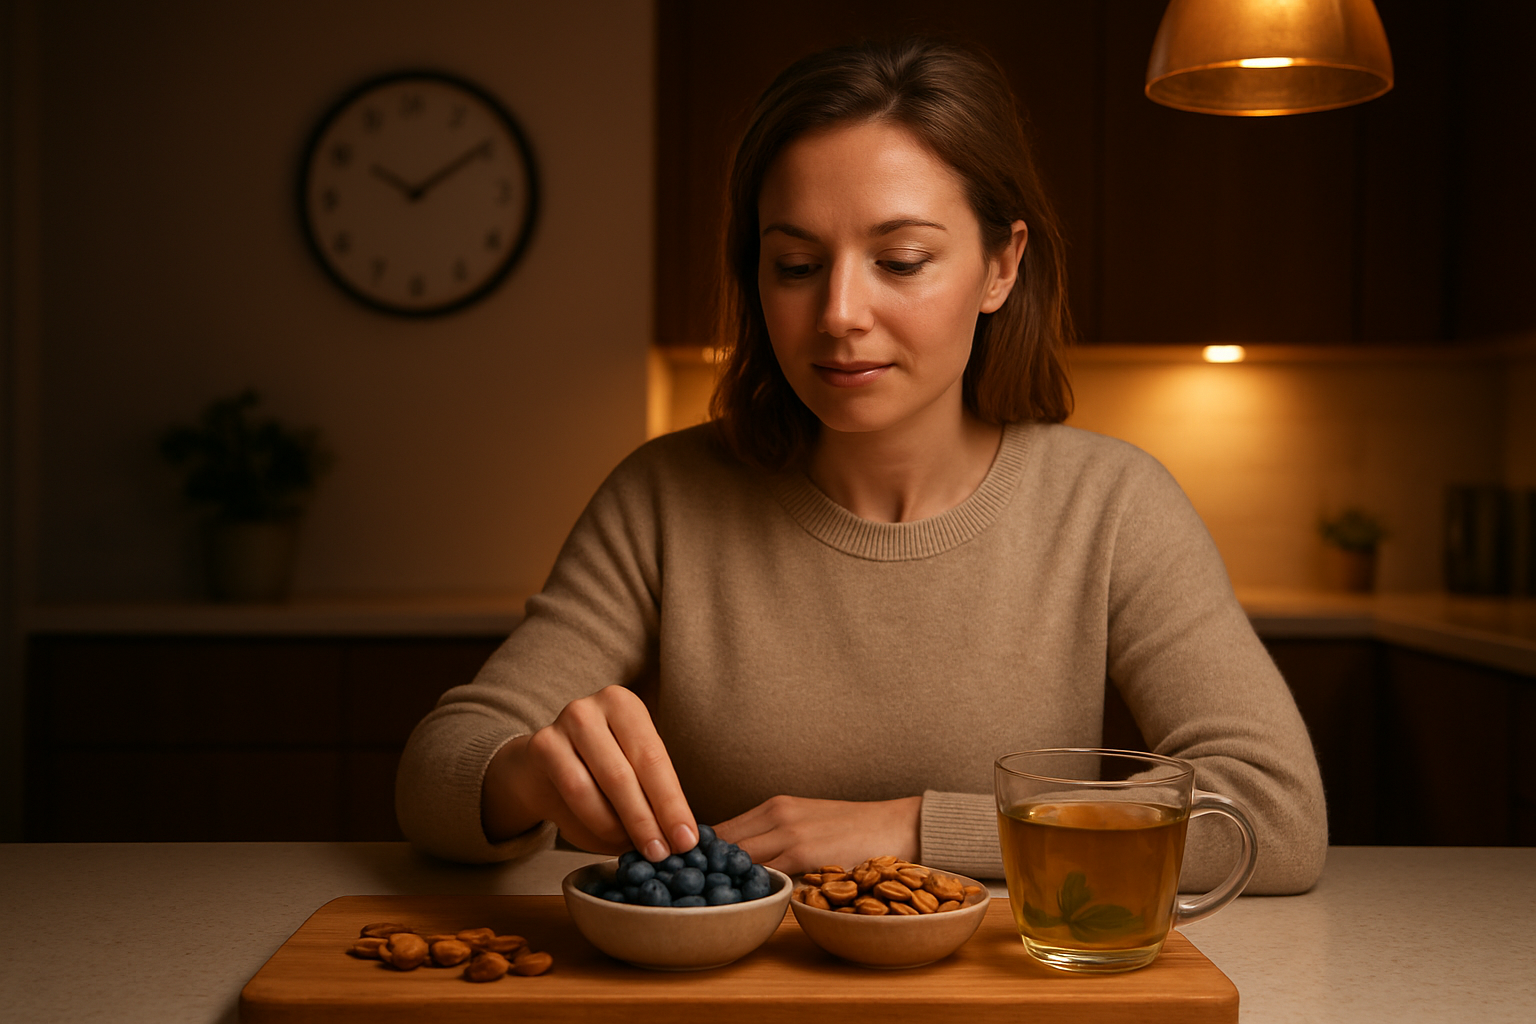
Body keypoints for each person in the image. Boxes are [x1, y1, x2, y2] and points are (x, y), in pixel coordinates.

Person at [396, 36, 1327, 894]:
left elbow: (1274, 817)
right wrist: (530, 776)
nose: (839, 313)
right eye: (797, 267)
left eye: (902, 259)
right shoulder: (664, 497)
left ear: (1001, 267)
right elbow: (441, 767)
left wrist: (913, 828)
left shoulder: (1112, 504)